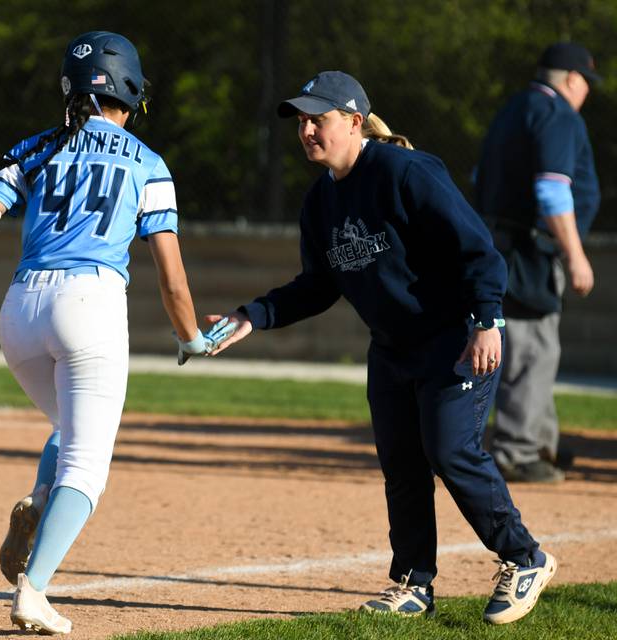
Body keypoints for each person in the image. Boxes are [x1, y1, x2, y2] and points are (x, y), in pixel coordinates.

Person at [204, 71, 555, 624]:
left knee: (450, 450)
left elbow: (480, 252)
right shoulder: (320, 202)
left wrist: (489, 320)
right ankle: (414, 584)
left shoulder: (406, 172)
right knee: (402, 468)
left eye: (318, 118)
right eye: (301, 121)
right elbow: (318, 285)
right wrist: (254, 315)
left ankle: (524, 557)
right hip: (392, 350)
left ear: (353, 121)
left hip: (456, 340)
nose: (307, 129)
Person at [0, 31, 209, 635]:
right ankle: (33, 591)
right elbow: (172, 279)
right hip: (89, 303)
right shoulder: (148, 163)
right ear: (132, 89)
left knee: (70, 429)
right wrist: (190, 337)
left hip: (20, 309)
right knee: (87, 467)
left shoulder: (35, 148)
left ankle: (40, 500)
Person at [475, 42, 601, 483]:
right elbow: (552, 191)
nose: (587, 91)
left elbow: (479, 178)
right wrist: (576, 254)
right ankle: (518, 450)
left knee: (536, 345)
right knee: (532, 349)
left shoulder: (515, 109)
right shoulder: (556, 114)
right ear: (571, 79)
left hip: (501, 242)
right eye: (587, 81)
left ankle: (541, 440)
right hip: (528, 249)